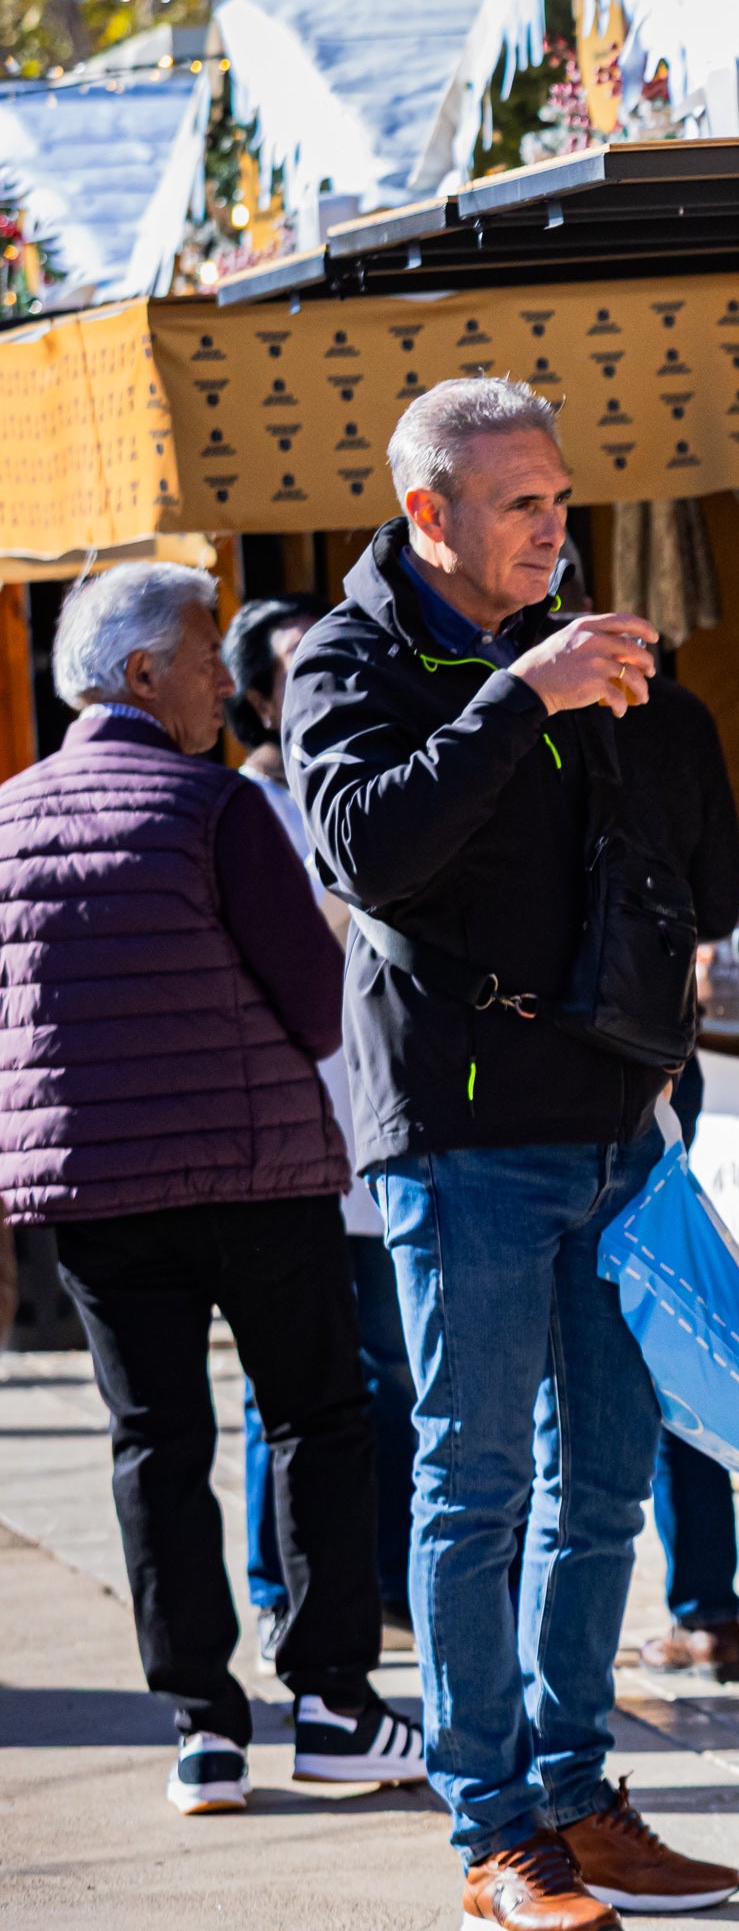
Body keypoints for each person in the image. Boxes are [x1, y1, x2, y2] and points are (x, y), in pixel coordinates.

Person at [282, 377, 739, 1930]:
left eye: (561, 497)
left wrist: (647, 715)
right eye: (523, 504)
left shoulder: (572, 647)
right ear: (432, 515)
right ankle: (493, 1832)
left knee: (604, 1482)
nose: (558, 525)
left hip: (613, 1122)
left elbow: (682, 866)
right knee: (472, 1486)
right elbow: (367, 850)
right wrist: (520, 699)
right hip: (461, 1136)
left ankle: (571, 1785)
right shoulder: (353, 657)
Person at [0, 564, 425, 1814]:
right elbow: (314, 1005)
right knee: (312, 1418)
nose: (221, 683)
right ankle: (337, 1703)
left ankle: (202, 1728)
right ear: (143, 674)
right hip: (254, 1172)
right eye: (200, 653)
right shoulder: (217, 807)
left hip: (96, 1193)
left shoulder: (9, 815)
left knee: (155, 1443)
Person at [223, 594, 420, 1653]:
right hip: (294, 1138)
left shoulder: (374, 779)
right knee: (285, 1383)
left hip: (381, 1130)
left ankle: (382, 1578)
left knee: (391, 1371)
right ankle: (275, 1586)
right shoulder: (245, 811)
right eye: (298, 668)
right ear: (259, 697)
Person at [617, 678, 739, 1688]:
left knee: (545, 1377)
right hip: (660, 1056)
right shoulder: (674, 709)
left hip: (514, 1081)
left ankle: (554, 1662)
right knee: (669, 1325)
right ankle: (706, 1607)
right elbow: (718, 901)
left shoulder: (485, 697)